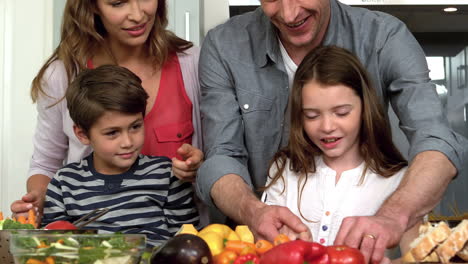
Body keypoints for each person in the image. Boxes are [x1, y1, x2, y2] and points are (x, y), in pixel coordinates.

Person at [197, 0, 468, 262]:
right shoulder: (224, 45)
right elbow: (222, 156)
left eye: (341, 112)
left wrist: (393, 216)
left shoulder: (384, 35)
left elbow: (436, 137)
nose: (289, 15)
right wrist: (253, 211)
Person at [11, 0, 204, 223]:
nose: (137, 14)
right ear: (92, 6)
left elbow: (225, 152)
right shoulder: (60, 75)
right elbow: (46, 163)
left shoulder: (194, 63)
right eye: (118, 3)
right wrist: (36, 202)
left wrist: (201, 165)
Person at [262, 45, 413, 260]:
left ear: (365, 108)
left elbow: (418, 256)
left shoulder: (401, 181)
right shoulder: (285, 169)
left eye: (341, 113)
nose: (327, 126)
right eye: (312, 115)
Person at [41, 65, 199, 247]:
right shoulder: (64, 183)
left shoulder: (166, 175)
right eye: (112, 133)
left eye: (135, 127)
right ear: (82, 134)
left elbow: (187, 242)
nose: (127, 142)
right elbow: (53, 248)